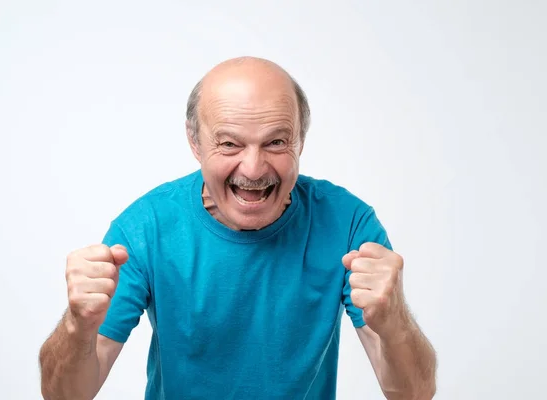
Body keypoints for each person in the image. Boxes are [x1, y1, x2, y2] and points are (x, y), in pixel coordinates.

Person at [39, 56, 437, 400]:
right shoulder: (145, 228)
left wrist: (396, 321)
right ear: (195, 143)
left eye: (276, 143)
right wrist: (78, 325)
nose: (253, 168)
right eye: (229, 144)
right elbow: (66, 394)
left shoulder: (348, 223)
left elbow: (413, 393)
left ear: (300, 142)